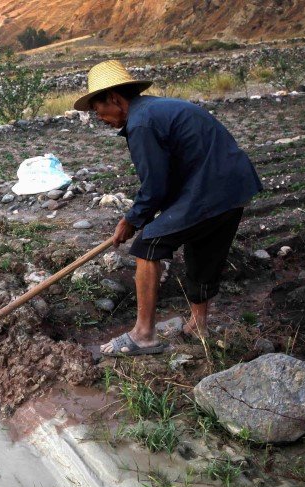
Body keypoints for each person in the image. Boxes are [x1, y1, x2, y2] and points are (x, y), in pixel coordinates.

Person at [73, 61, 263, 356]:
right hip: (234, 186)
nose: (100, 118)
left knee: (149, 244)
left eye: (98, 112)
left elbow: (155, 186)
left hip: (211, 189)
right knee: (203, 247)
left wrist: (131, 220)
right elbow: (173, 172)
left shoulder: (141, 124)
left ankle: (143, 335)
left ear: (113, 98)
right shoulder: (155, 110)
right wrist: (153, 212)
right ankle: (198, 325)